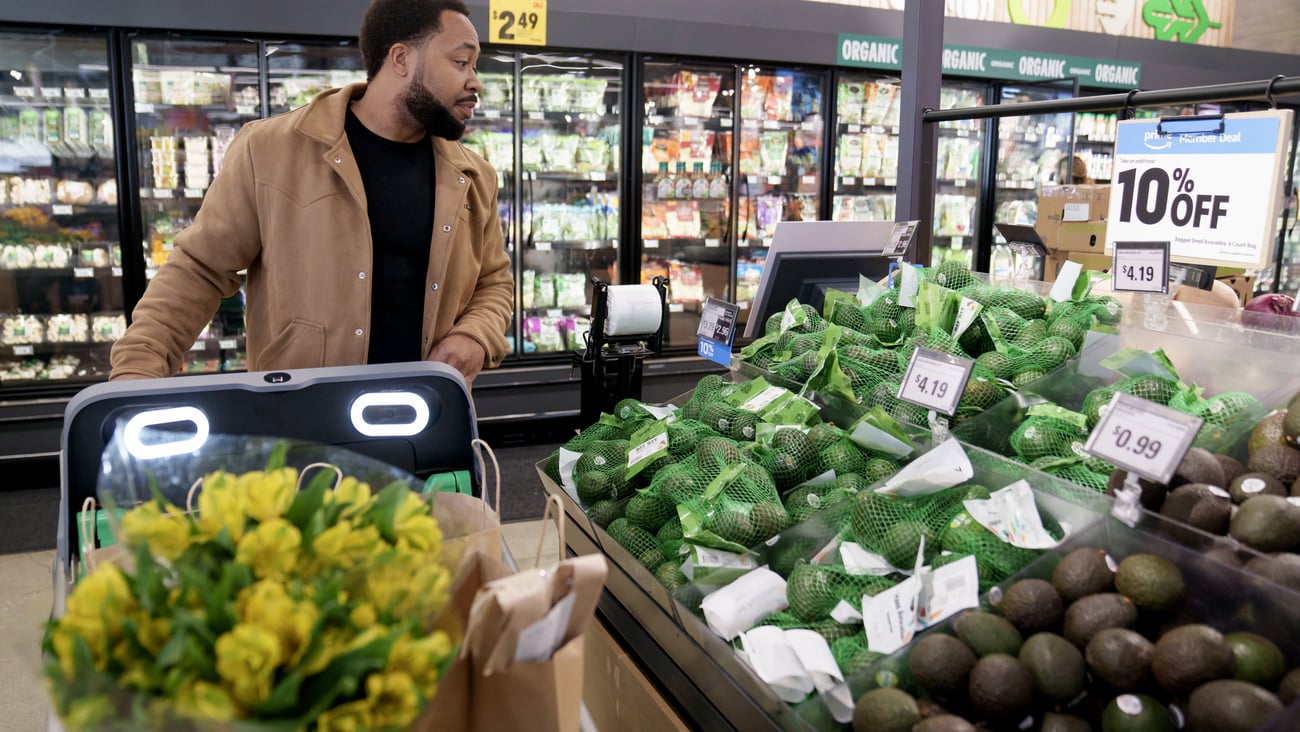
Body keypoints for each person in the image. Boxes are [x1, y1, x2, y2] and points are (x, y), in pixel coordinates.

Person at [110, 0, 513, 384]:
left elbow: (494, 282)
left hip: (426, 416)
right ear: (401, 59)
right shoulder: (268, 149)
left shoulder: (474, 176)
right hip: (301, 420)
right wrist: (137, 369)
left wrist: (476, 335)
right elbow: (200, 269)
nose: (475, 81)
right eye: (461, 62)